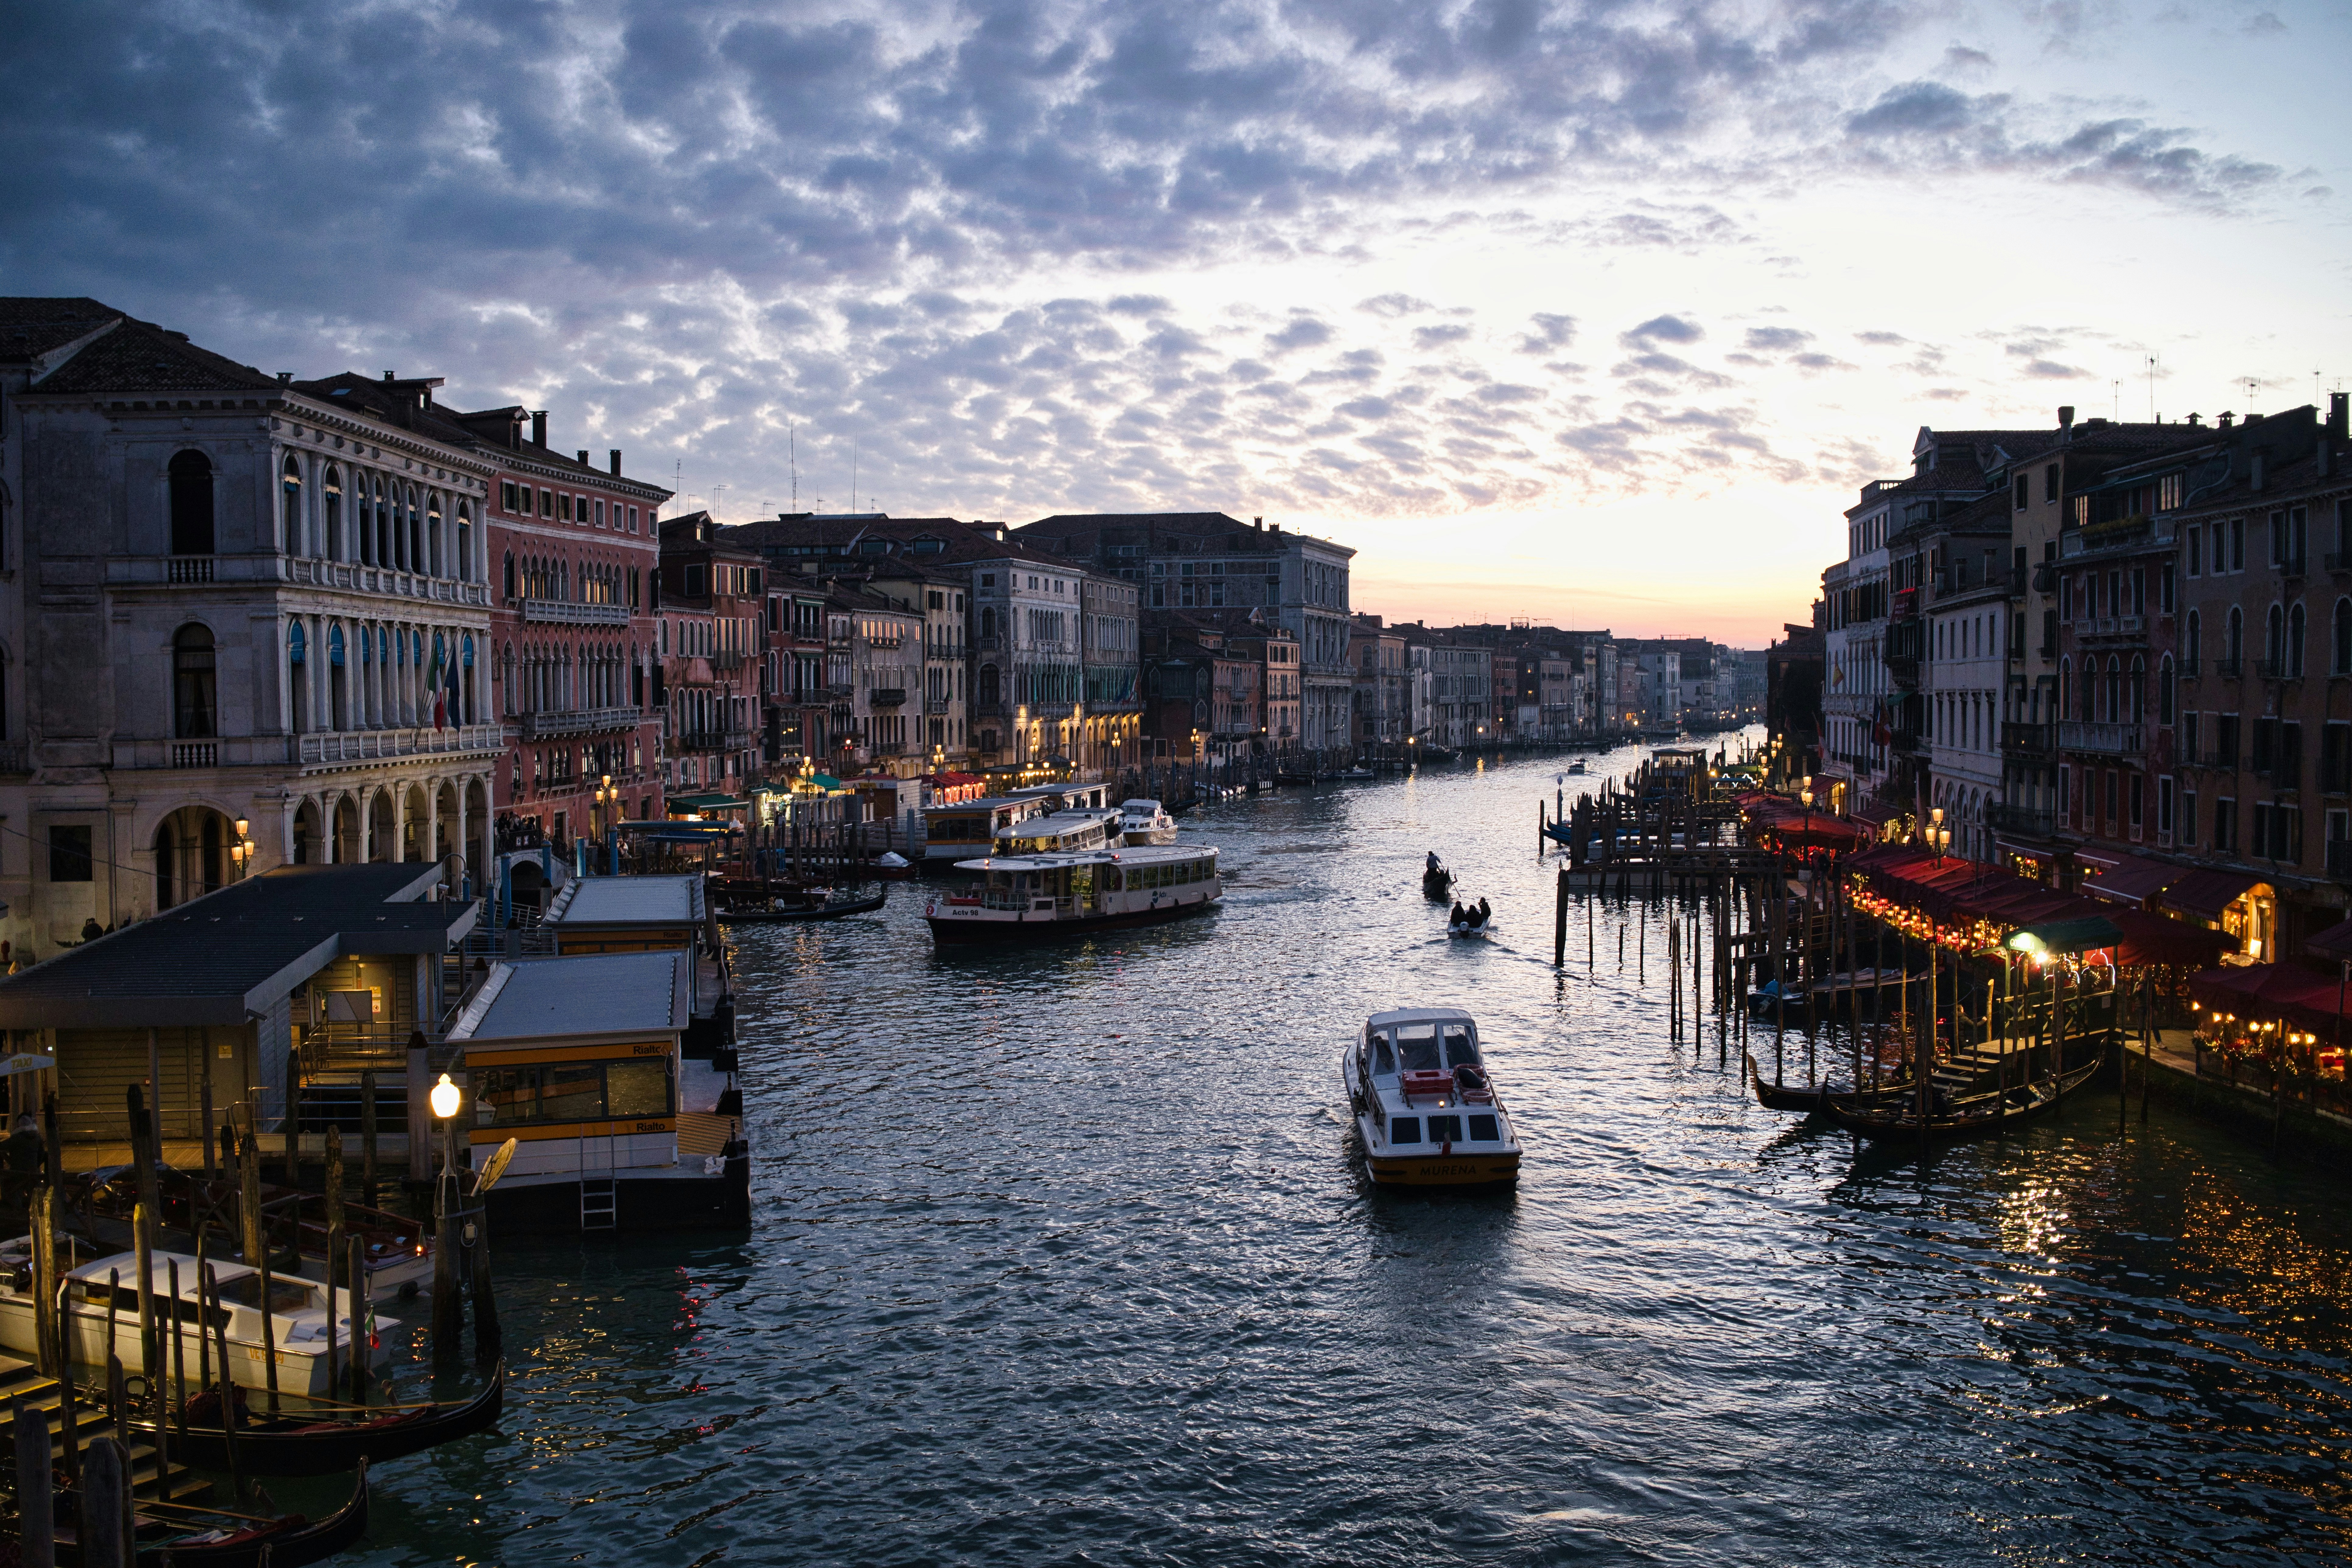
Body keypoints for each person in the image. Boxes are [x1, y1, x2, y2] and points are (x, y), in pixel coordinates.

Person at [2, 1113, 41, 1206]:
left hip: (18, 1171)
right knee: (34, 1193)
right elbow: (42, 1154)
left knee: (15, 1191)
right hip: (33, 1172)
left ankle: (17, 1210)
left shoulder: (17, 1138)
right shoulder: (37, 1137)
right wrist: (36, 1165)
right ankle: (35, 1212)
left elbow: (3, 1146)